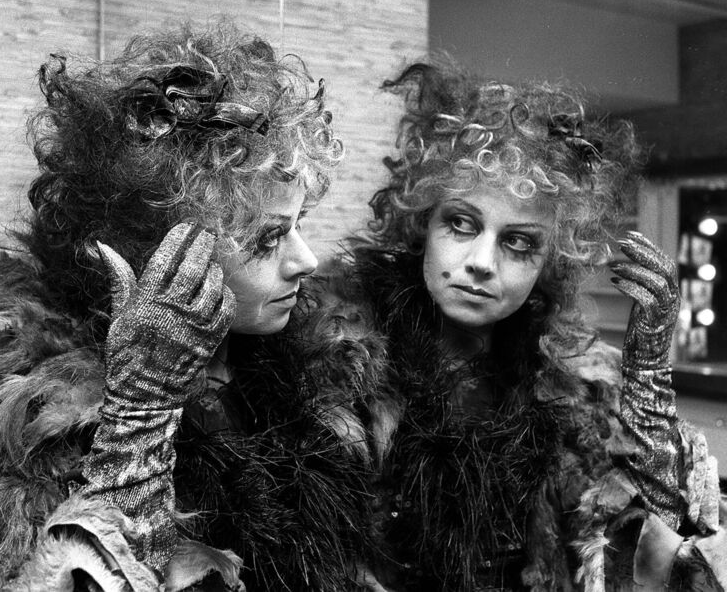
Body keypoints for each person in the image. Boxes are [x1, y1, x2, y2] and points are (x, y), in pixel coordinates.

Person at [0, 23, 375, 591]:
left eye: (301, 226)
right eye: (268, 238)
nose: (308, 260)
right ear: (165, 251)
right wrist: (138, 414)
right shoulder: (47, 406)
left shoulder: (308, 361)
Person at [307, 62, 727, 590]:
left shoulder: (574, 390)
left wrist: (647, 384)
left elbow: (648, 555)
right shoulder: (333, 359)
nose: (482, 261)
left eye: (518, 242)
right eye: (461, 223)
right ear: (422, 221)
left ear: (550, 262)